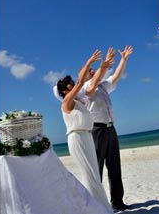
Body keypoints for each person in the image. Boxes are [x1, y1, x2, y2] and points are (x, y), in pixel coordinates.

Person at [56, 49, 114, 212]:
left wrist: (102, 67)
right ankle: (96, 209)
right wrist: (89, 61)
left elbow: (93, 83)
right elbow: (82, 82)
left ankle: (101, 207)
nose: (74, 86)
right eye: (70, 85)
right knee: (89, 175)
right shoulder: (67, 101)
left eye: (73, 83)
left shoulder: (79, 100)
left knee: (94, 175)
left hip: (87, 137)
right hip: (77, 138)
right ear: (64, 92)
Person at [79, 45, 133, 212]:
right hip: (96, 130)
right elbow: (93, 81)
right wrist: (103, 66)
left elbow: (116, 76)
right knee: (98, 169)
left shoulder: (102, 87)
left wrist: (123, 59)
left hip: (110, 129)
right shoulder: (84, 89)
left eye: (95, 70)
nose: (94, 72)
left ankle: (117, 202)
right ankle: (97, 205)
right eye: (91, 71)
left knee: (115, 167)